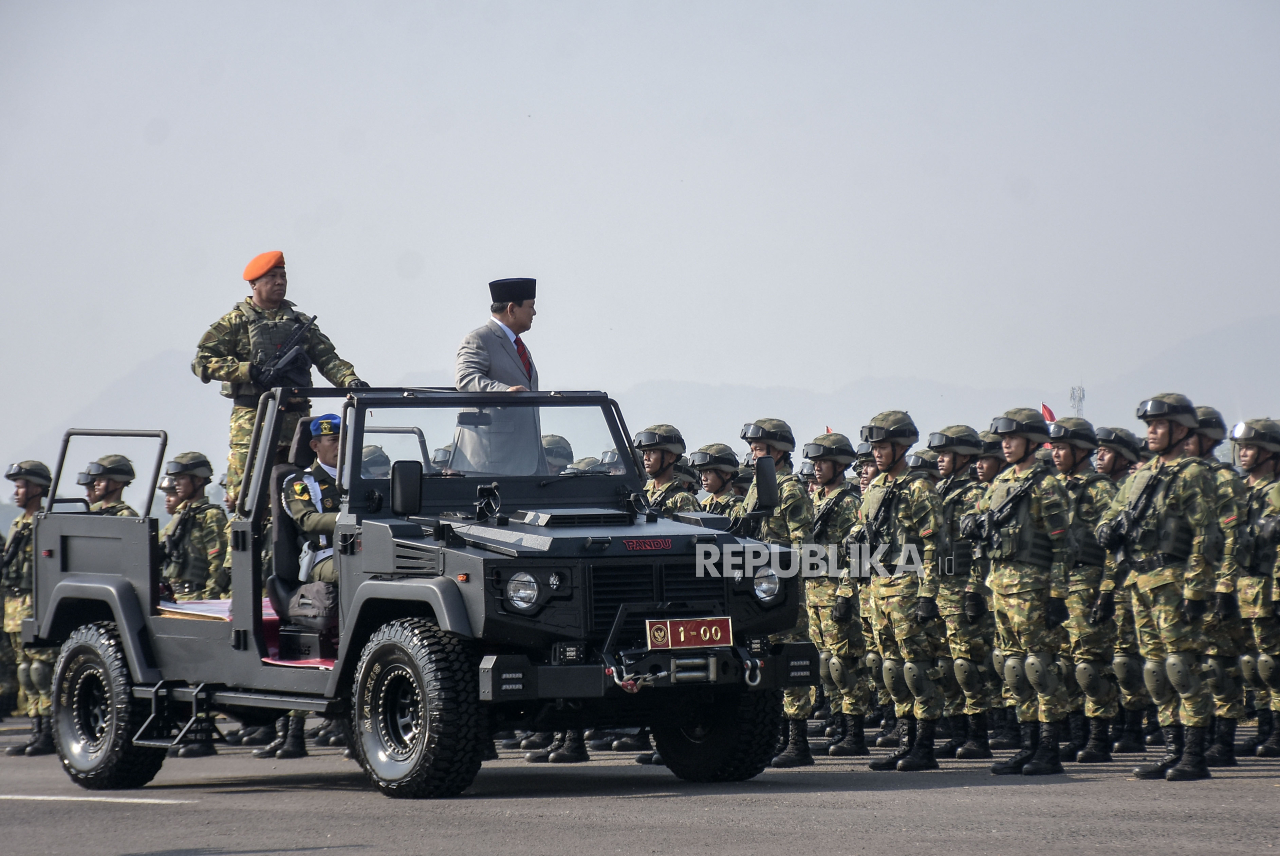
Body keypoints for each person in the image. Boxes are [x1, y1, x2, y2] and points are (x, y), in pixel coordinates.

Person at [1095, 393, 1217, 782]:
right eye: (1148, 425)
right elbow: (1109, 519)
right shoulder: (1139, 476)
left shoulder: (1194, 473)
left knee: (1182, 666)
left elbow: (1206, 536)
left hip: (1174, 582)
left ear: (1181, 430)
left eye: (1158, 425)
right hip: (1139, 581)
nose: (1150, 431)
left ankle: (1194, 755)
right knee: (1155, 671)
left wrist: (1198, 591)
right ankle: (1172, 750)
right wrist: (1107, 531)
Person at [192, 250, 367, 508]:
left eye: (283, 276)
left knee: (302, 492)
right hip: (253, 420)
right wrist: (248, 371)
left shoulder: (299, 322)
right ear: (254, 284)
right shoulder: (234, 323)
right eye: (272, 277)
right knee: (246, 498)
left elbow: (327, 358)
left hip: (296, 420)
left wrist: (350, 381)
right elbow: (202, 361)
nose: (279, 282)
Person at [982, 408, 1073, 777]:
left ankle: (1049, 749)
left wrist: (1057, 595)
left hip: (1033, 588)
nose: (1005, 444)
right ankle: (1027, 745)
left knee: (1039, 668)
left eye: (1013, 438)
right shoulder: (1001, 482)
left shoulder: (1045, 485)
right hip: (1001, 586)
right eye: (1003, 438)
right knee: (1013, 669)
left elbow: (1064, 545)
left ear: (1033, 443)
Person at [853, 411, 945, 773]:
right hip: (878, 585)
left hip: (908, 584)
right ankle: (905, 743)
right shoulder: (875, 489)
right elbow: (862, 538)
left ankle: (924, 746)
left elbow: (935, 545)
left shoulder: (919, 487)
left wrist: (928, 595)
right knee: (891, 669)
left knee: (917, 669)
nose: (876, 453)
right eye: (874, 446)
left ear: (901, 446)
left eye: (883, 446)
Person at [736, 419, 815, 767]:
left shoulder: (790, 488)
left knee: (788, 658)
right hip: (757, 586)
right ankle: (776, 736)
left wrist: (795, 588)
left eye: (759, 449)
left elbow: (803, 544)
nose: (753, 455)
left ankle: (798, 741)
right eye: (752, 449)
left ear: (778, 451)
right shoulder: (757, 487)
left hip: (782, 585)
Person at [1047, 418, 1120, 763]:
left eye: (1062, 447)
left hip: (1088, 582)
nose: (1056, 453)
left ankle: (1099, 737)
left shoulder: (1099, 489)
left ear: (1082, 451)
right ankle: (1076, 735)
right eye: (1054, 447)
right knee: (1063, 666)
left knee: (1089, 667)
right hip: (1058, 586)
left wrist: (1107, 590)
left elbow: (1115, 545)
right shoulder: (1052, 486)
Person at [927, 425, 998, 759]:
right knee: (943, 666)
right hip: (940, 585)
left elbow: (980, 548)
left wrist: (974, 590)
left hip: (961, 588)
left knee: (967, 666)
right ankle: (956, 731)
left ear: (964, 457)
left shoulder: (975, 495)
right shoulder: (939, 491)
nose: (939, 460)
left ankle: (978, 735)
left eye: (946, 455)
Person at [1184, 408, 1248, 766]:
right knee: (1192, 666)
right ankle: (1199, 739)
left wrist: (1225, 585)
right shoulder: (1183, 477)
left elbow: (1233, 536)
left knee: (1220, 665)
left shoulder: (1222, 479)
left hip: (1215, 584)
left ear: (1208, 439)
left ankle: (1222, 742)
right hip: (1186, 583)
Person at [805, 433, 869, 757]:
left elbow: (859, 554)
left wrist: (845, 594)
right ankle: (836, 725)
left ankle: (855, 732)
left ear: (840, 464)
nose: (817, 468)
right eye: (814, 462)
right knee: (824, 666)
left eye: (823, 462)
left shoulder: (848, 503)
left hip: (836, 592)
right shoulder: (816, 500)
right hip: (814, 592)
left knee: (843, 665)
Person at [1094, 426, 1155, 754]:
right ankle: (1113, 725)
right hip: (1108, 585)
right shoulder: (1116, 493)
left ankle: (1135, 727)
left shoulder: (1141, 490)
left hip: (1140, 582)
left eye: (1107, 451)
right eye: (1098, 450)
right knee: (1110, 662)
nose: (1099, 456)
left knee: (1132, 662)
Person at [453, 278, 542, 474]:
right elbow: (466, 378)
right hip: (491, 461)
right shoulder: (479, 339)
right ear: (512, 309)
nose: (534, 313)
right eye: (531, 306)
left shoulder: (518, 345)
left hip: (526, 461)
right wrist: (505, 391)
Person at [1229, 418, 1280, 758]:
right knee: (1252, 665)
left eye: (1250, 447)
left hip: (1266, 587)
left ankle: (1277, 731)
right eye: (1241, 447)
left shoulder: (1276, 492)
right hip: (1242, 589)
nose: (1242, 453)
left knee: (1273, 665)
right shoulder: (1242, 492)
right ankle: (1264, 728)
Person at [2, 461, 58, 757]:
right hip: (15, 606)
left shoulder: (46, 522)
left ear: (37, 488)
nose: (16, 491)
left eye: (21, 485)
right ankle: (36, 731)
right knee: (25, 671)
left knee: (40, 670)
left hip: (36, 604)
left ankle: (49, 733)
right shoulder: (16, 524)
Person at [160, 453, 229, 602]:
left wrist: (209, 599)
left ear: (198, 480)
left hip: (197, 600)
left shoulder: (211, 515)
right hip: (173, 598)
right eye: (176, 478)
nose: (176, 483)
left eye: (182, 478)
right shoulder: (179, 517)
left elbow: (218, 562)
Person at [634, 426, 699, 517]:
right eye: (645, 452)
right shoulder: (642, 492)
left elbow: (692, 530)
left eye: (652, 452)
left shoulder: (682, 498)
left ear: (671, 457)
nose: (646, 457)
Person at [690, 443, 742, 517]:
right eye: (702, 472)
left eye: (709, 472)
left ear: (727, 474)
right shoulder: (704, 506)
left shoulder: (737, 509)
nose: (703, 478)